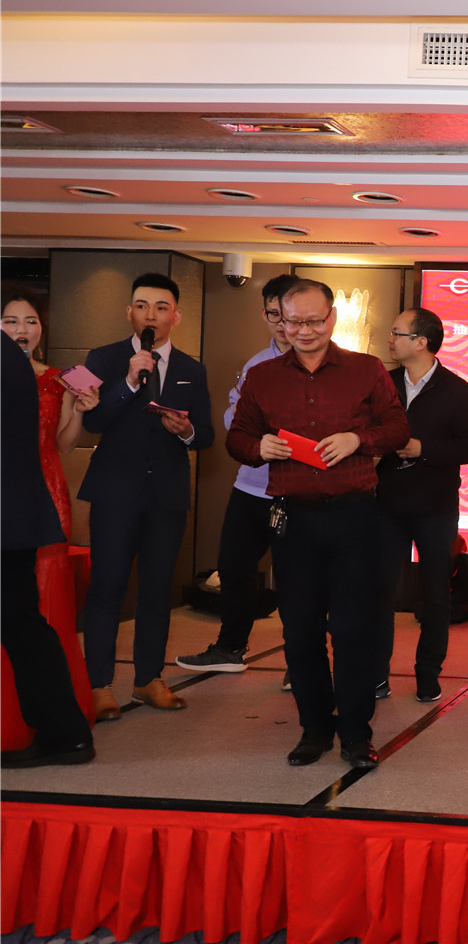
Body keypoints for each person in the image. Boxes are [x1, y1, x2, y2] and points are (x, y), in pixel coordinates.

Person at [226, 278, 410, 768]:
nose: (304, 330)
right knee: (299, 628)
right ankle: (314, 728)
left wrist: (358, 440)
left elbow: (397, 427)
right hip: (294, 520)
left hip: (355, 517)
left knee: (353, 630)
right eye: (293, 322)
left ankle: (356, 734)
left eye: (313, 320)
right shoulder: (262, 376)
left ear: (332, 318)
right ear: (279, 321)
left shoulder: (366, 369)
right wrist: (258, 447)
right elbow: (237, 438)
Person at [79, 273, 214, 720]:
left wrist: (187, 430)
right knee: (107, 589)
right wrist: (129, 383)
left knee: (157, 591)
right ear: (129, 312)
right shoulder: (103, 358)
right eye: (141, 306)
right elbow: (93, 422)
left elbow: (206, 435)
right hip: (115, 493)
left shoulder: (193, 369)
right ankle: (99, 685)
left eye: (160, 307)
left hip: (166, 495)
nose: (150, 315)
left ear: (176, 315)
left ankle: (148, 679)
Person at [176, 273, 297, 674]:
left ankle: (301, 662)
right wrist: (257, 434)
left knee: (297, 577)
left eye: (289, 315)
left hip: (300, 489)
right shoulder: (256, 364)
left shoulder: (323, 364)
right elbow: (233, 419)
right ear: (264, 314)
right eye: (274, 314)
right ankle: (230, 648)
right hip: (252, 484)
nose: (282, 324)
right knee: (233, 566)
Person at [376, 307, 468, 703]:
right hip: (385, 503)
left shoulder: (458, 390)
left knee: (436, 595)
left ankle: (428, 674)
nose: (390, 340)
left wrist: (424, 448)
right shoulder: (383, 384)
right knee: (378, 593)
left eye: (397, 333)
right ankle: (376, 674)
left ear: (421, 342)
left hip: (435, 507)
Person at [0, 286, 95, 725]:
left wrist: (80, 410)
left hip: (43, 488)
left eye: (30, 321)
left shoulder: (62, 378)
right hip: (15, 492)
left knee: (35, 604)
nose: (21, 329)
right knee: (18, 607)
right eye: (11, 321)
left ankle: (55, 719)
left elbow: (63, 445)